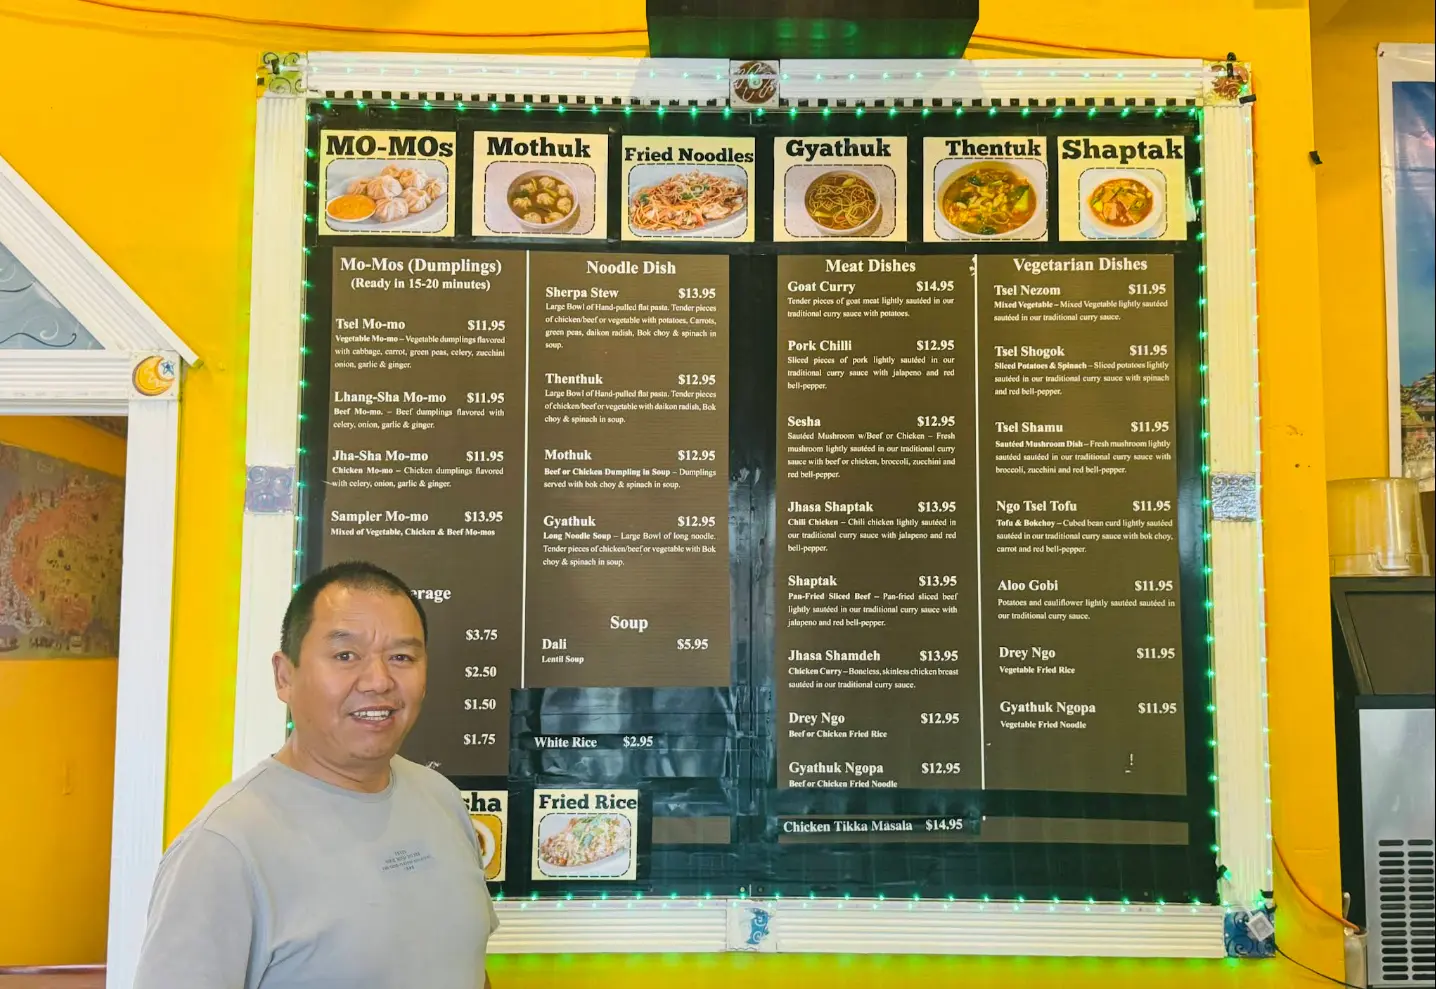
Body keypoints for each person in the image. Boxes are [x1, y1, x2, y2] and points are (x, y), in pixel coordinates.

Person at [133, 561, 497, 988]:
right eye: (346, 656)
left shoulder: (441, 798)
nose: (379, 681)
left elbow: (462, 964)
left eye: (402, 657)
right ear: (284, 676)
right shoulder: (224, 849)